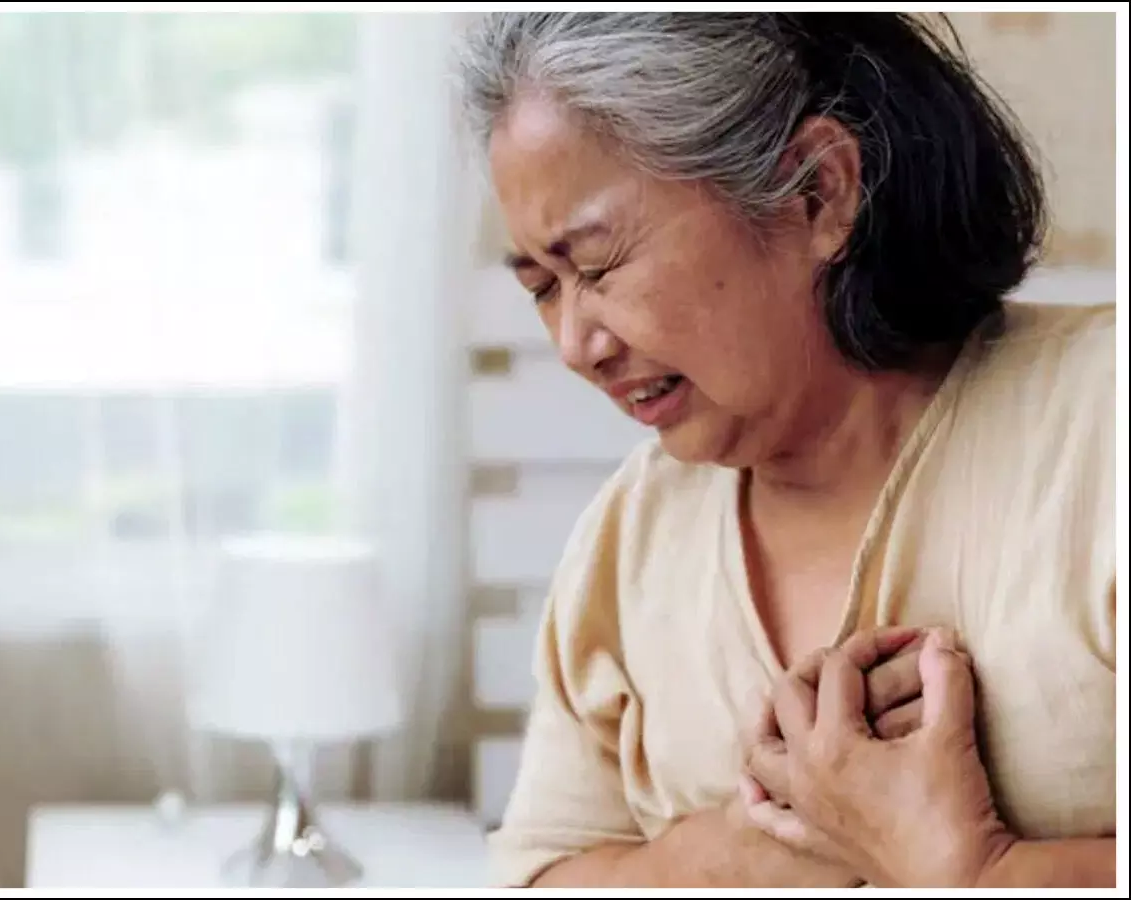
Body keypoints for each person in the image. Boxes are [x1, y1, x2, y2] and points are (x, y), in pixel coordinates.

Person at [452, 12, 1117, 889]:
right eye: (543, 286)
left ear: (818, 191)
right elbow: (543, 872)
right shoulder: (632, 536)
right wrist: (756, 844)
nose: (575, 344)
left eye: (600, 264)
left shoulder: (1103, 427)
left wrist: (970, 870)